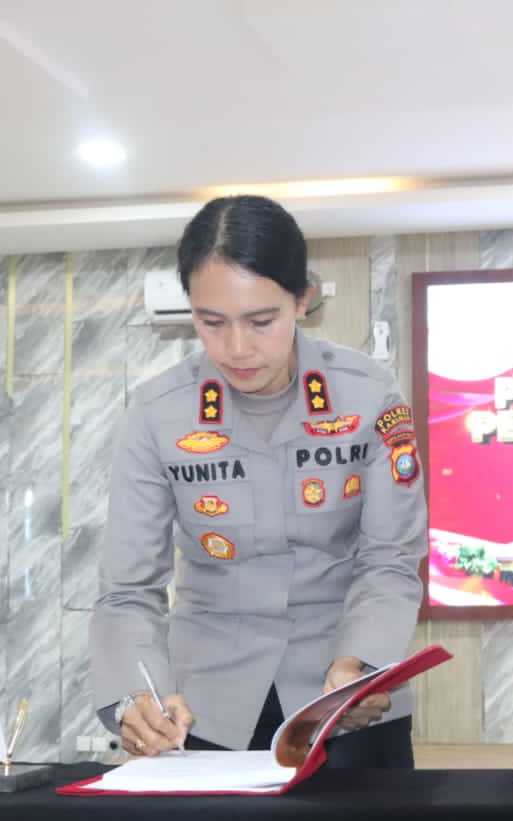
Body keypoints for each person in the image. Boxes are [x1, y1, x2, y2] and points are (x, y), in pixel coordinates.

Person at [90, 195, 427, 765]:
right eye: (211, 322)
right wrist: (135, 694)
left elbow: (390, 557)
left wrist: (362, 662)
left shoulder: (369, 395)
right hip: (204, 706)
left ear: (302, 300)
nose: (238, 348)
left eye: (262, 321)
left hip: (346, 699)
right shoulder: (157, 413)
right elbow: (128, 588)